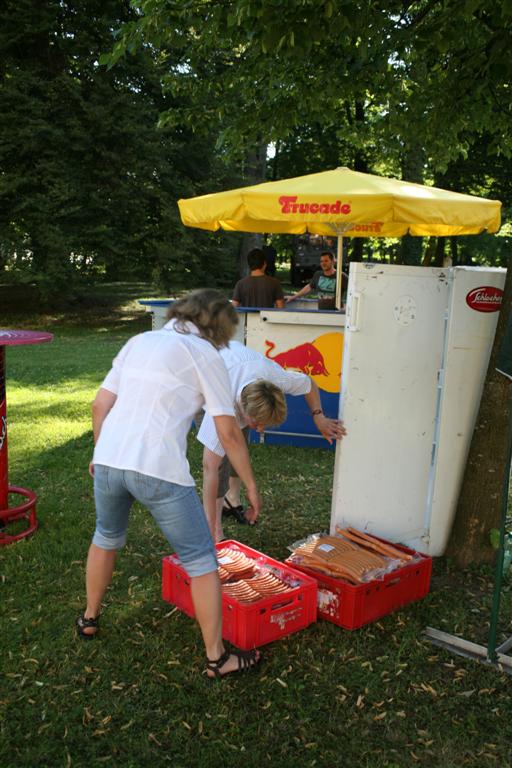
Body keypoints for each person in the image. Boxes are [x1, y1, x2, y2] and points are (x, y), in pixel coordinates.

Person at [76, 289, 262, 679]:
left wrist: (101, 451)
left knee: (106, 536)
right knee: (201, 560)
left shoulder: (139, 340)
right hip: (158, 468)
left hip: (109, 459)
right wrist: (250, 486)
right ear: (220, 326)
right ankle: (217, 657)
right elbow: (227, 431)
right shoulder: (206, 354)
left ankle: (89, 617)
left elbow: (99, 405)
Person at [198, 340, 347, 541]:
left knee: (240, 442)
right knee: (220, 459)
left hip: (238, 365)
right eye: (258, 423)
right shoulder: (221, 397)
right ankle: (214, 531)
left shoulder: (277, 378)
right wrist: (210, 528)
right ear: (241, 407)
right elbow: (210, 466)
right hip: (202, 372)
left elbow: (309, 383)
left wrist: (318, 417)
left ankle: (231, 499)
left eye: (264, 425)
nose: (261, 430)